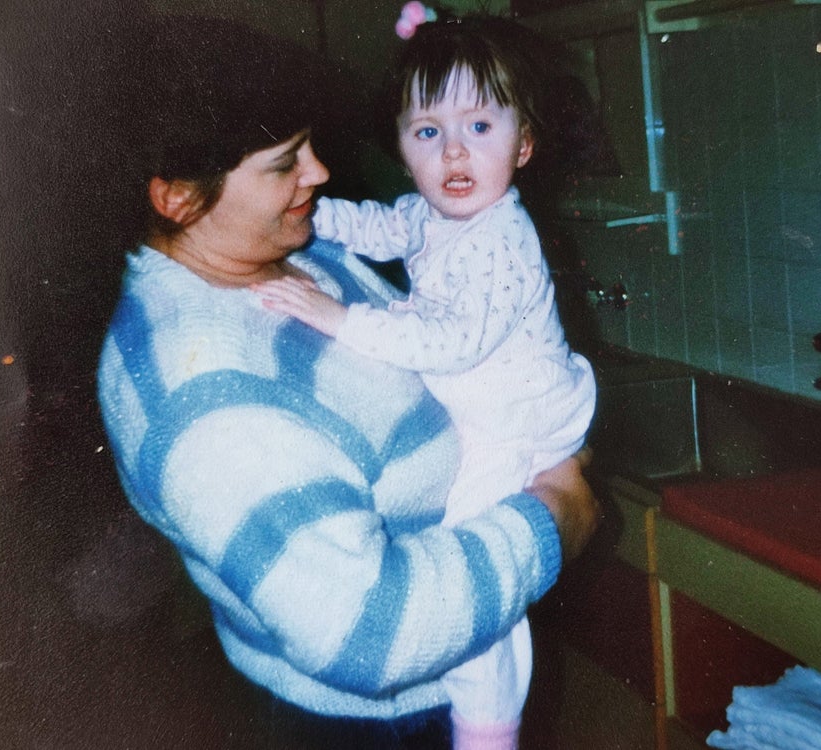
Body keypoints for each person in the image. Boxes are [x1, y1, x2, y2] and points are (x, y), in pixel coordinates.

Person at [95, 13, 600, 750]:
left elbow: (389, 263)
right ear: (176, 198)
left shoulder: (278, 252)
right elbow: (369, 633)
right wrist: (553, 517)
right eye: (285, 163)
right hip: (379, 725)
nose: (320, 174)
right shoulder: (203, 395)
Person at [253, 7, 597, 749]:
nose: (453, 152)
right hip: (487, 403)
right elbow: (382, 226)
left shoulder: (503, 239)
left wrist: (334, 315)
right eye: (427, 131)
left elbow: (449, 341)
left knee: (476, 573)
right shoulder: (433, 213)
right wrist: (308, 216)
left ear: (525, 143)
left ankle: (488, 724)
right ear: (404, 147)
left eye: (479, 126)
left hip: (516, 419)